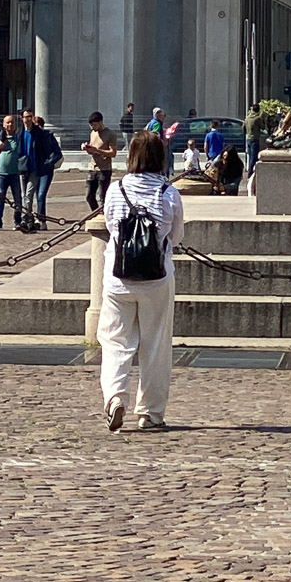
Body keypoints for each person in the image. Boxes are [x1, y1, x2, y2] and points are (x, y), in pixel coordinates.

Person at [98, 128, 185, 433]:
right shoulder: (169, 193)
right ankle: (150, 412)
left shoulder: (115, 190)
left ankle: (114, 397)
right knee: (156, 344)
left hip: (118, 277)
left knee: (115, 341)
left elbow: (111, 227)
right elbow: (176, 237)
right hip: (156, 279)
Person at [19, 116, 63, 229]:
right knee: (28, 194)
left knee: (40, 195)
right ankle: (29, 218)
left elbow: (58, 153)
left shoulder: (47, 136)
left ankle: (41, 220)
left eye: (39, 125)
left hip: (45, 170)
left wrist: (49, 162)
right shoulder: (30, 136)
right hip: (33, 169)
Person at [83, 112, 118, 213]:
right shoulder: (93, 133)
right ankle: (96, 214)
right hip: (92, 168)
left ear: (101, 122)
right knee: (89, 196)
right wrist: (87, 148)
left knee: (103, 196)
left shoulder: (111, 134)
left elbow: (113, 153)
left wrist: (97, 150)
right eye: (91, 125)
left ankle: (104, 216)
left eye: (95, 125)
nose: (93, 127)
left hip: (104, 169)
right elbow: (92, 150)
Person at [0, 117, 23, 229]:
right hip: (2, 174)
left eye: (12, 122)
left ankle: (18, 221)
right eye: (8, 122)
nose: (10, 124)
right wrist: (0, 145)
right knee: (0, 198)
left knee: (17, 198)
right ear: (4, 124)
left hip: (14, 173)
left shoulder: (18, 137)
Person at [243, 105, 264, 180]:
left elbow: (243, 128)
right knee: (254, 157)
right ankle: (251, 172)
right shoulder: (257, 118)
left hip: (248, 139)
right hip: (255, 138)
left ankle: (250, 170)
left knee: (250, 156)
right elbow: (262, 127)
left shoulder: (247, 118)